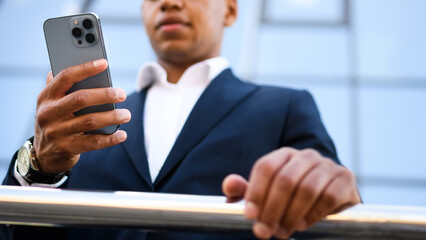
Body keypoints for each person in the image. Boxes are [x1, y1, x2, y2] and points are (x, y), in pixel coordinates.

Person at [1, 0, 361, 239]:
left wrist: (342, 201)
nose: (169, 1)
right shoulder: (84, 122)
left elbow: (335, 209)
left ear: (231, 10)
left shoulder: (285, 106)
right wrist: (40, 167)